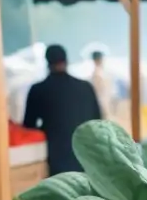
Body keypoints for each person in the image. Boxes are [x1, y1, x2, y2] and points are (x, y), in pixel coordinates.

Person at [23, 45, 102, 175]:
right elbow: (98, 122)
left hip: (56, 161)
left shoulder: (38, 90)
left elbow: (28, 126)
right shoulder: (86, 88)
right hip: (86, 159)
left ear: (47, 63)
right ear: (66, 60)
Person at [90, 50, 115, 118]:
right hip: (102, 102)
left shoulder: (103, 72)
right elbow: (97, 91)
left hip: (107, 100)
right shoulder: (97, 73)